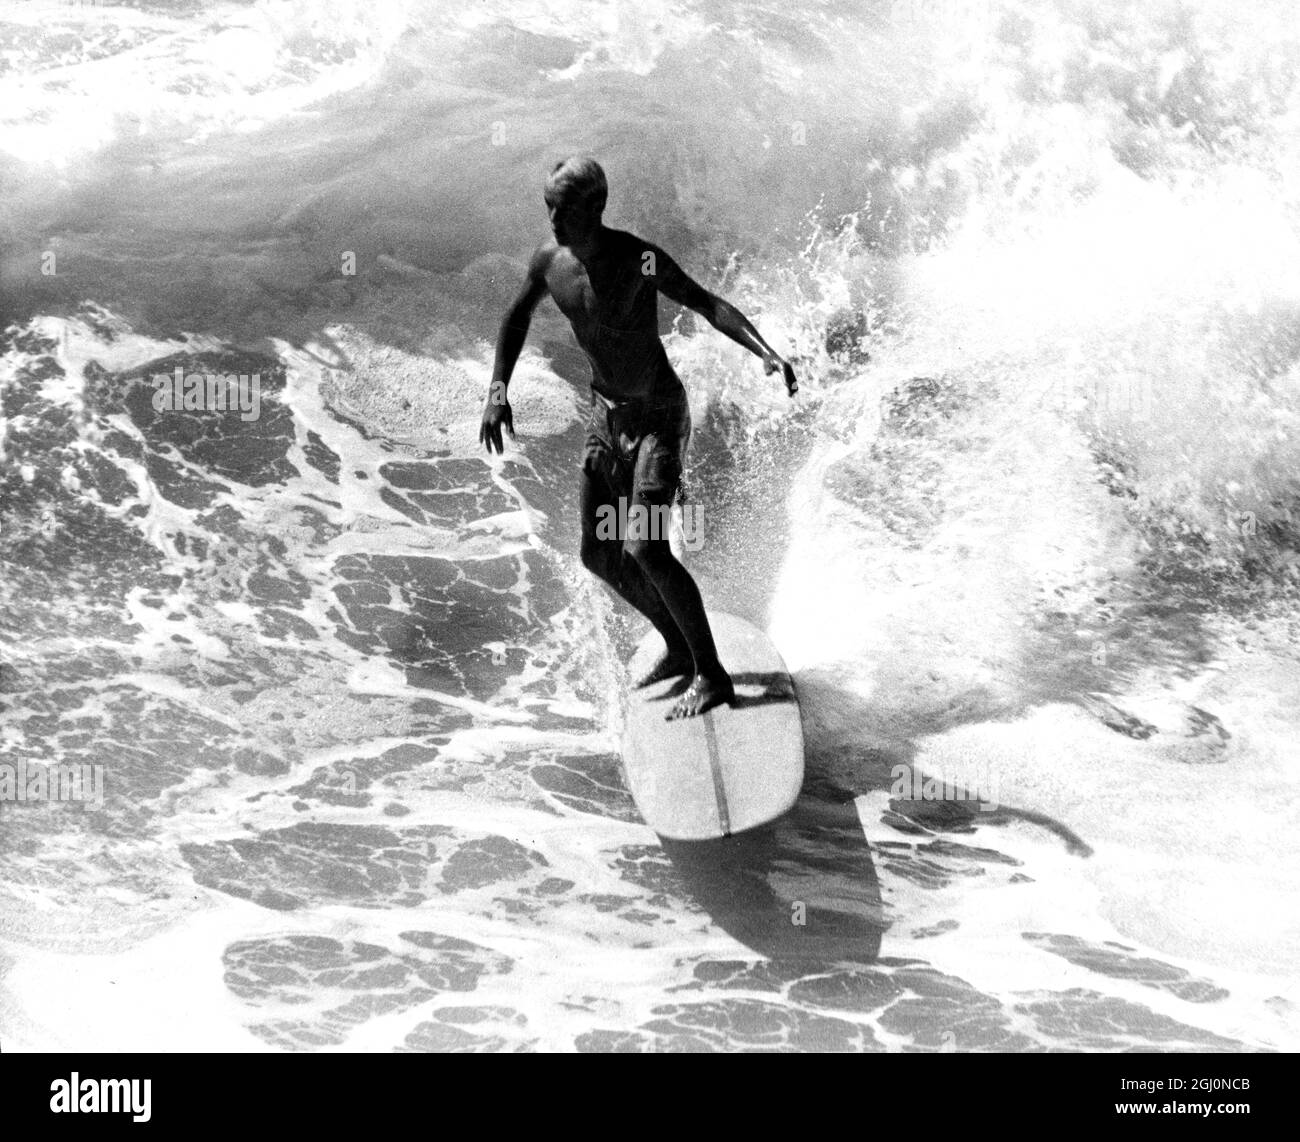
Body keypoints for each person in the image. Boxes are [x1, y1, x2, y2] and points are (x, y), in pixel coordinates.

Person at [480, 156, 798, 719]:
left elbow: (706, 302)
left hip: (658, 419)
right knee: (599, 553)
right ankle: (678, 648)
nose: (553, 219)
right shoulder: (549, 262)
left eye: (564, 209)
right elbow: (515, 319)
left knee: (645, 546)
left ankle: (713, 675)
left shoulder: (639, 258)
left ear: (595, 208)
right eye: (548, 207)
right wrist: (497, 391)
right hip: (606, 419)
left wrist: (765, 352)